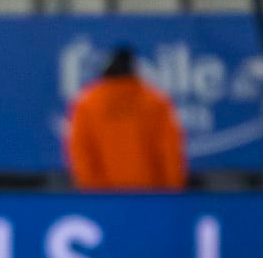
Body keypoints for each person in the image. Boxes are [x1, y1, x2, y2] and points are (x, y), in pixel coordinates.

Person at [65, 46, 187, 191]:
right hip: (151, 195)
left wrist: (92, 192)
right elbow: (170, 152)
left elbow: (81, 153)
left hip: (103, 197)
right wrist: (172, 192)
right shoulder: (156, 101)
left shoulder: (87, 103)